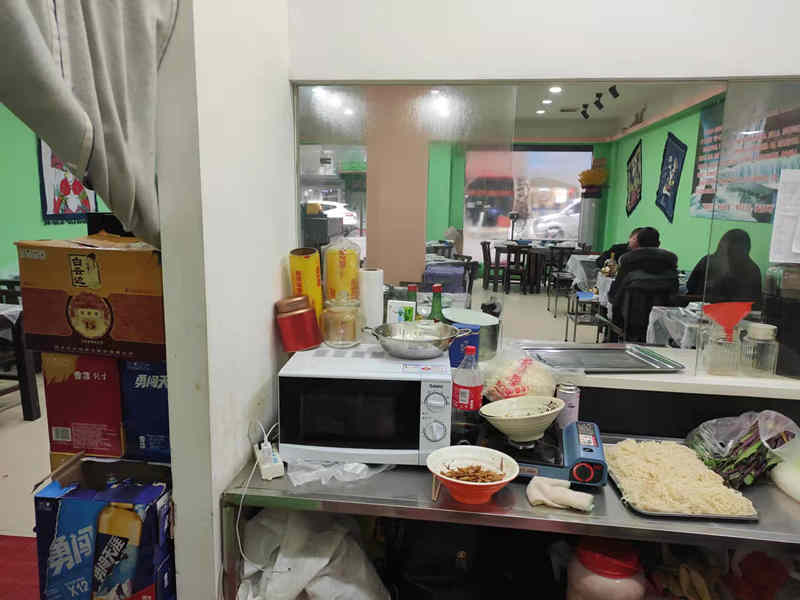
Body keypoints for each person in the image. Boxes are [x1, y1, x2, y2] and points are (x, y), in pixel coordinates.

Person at [608, 227, 679, 342]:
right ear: (659, 243)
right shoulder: (670, 263)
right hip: (663, 322)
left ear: (638, 243)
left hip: (630, 321)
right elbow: (675, 292)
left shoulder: (628, 261)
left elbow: (615, 294)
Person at [687, 229, 762, 304]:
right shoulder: (753, 269)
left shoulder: (708, 260)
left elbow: (690, 286)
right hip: (704, 307)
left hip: (704, 306)